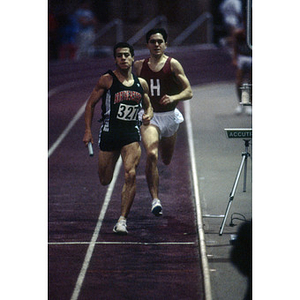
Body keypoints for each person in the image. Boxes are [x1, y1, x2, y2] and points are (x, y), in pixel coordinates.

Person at [83, 42, 153, 235]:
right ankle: (121, 217)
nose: (123, 58)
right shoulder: (107, 80)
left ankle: (122, 220)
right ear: (115, 59)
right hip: (110, 133)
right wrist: (88, 130)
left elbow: (148, 105)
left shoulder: (142, 84)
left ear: (132, 58)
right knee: (105, 180)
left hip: (131, 134)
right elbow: (90, 105)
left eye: (126, 55)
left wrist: (149, 114)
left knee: (130, 174)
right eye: (119, 55)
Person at [134, 28, 193, 216]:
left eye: (160, 41)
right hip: (149, 116)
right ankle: (155, 200)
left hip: (169, 116)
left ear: (165, 44)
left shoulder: (173, 64)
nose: (157, 45)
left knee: (166, 159)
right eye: (153, 41)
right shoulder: (138, 66)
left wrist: (174, 96)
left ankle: (162, 166)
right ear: (147, 45)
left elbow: (188, 92)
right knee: (151, 154)